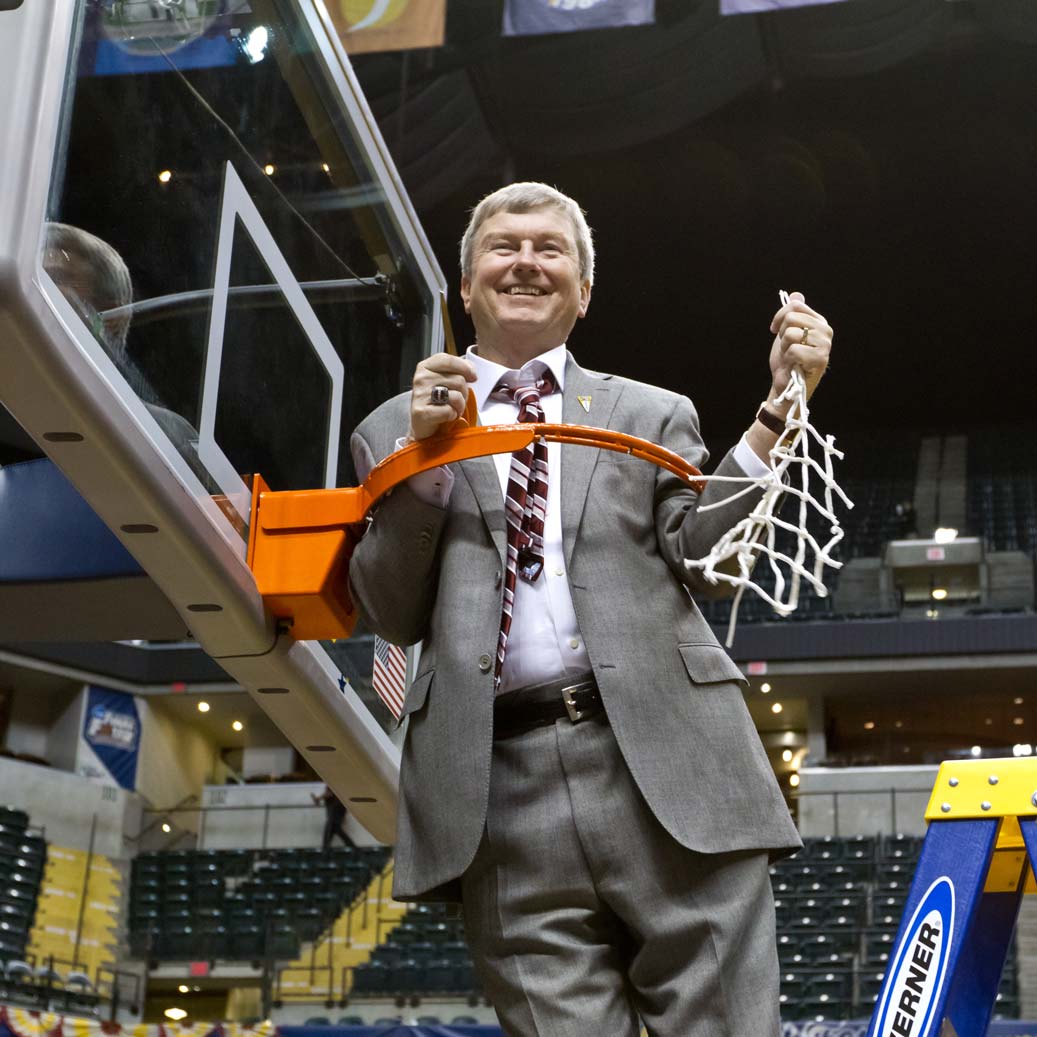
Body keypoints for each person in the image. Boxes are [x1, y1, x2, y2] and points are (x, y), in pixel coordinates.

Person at [348, 183, 833, 1036]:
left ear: (583, 290)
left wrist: (774, 411)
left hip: (668, 764)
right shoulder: (391, 428)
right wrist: (422, 466)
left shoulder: (649, 413)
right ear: (464, 287)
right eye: (503, 246)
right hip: (495, 789)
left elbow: (710, 561)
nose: (526, 261)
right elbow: (390, 610)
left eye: (550, 248)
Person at [313, 785, 356, 850]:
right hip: (335, 816)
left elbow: (329, 794)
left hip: (334, 816)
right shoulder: (334, 790)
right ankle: (356, 850)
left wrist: (318, 798)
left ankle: (356, 850)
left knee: (328, 835)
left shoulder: (332, 788)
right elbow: (328, 795)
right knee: (335, 834)